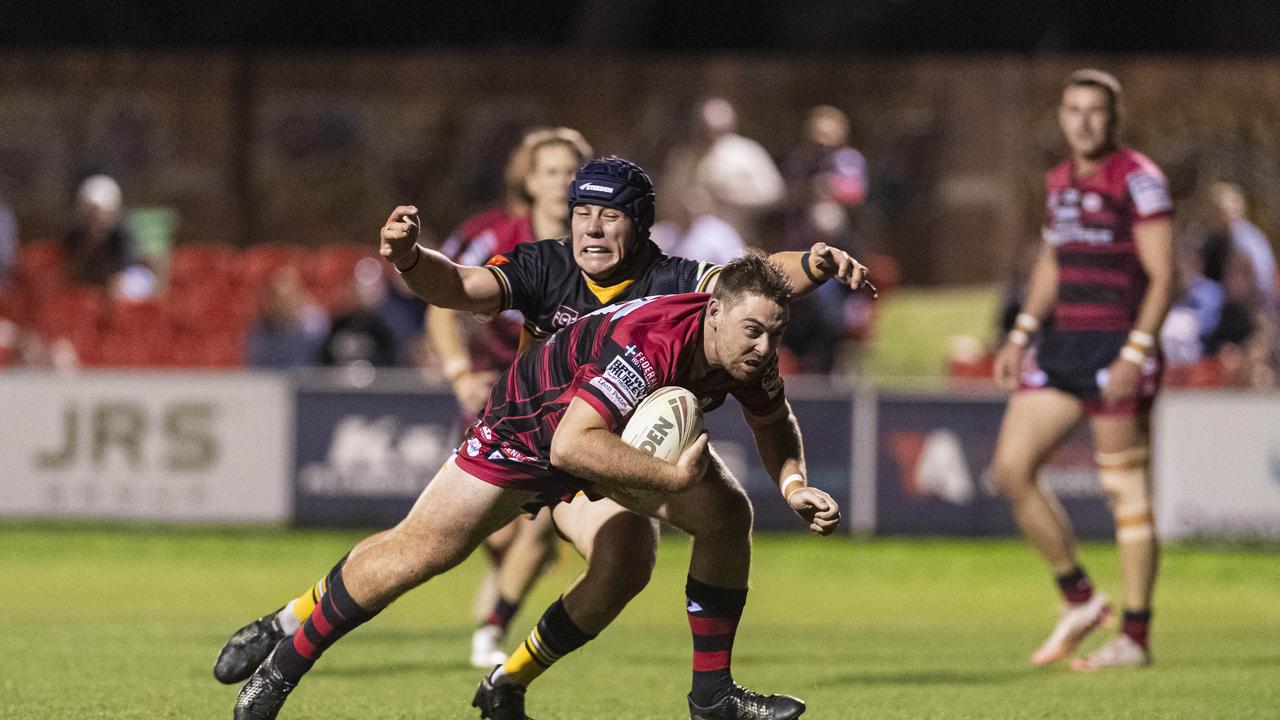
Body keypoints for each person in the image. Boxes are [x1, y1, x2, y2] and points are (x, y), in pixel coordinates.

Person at [224, 157, 867, 720]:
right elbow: (463, 296)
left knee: (686, 533)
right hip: (532, 432)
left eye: (609, 215)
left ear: (639, 225)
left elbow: (755, 287)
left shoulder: (712, 306)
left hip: (602, 443)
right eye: (579, 210)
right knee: (416, 555)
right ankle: (282, 662)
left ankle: (681, 695)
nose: (590, 226)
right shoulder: (553, 269)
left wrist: (814, 263)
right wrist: (410, 261)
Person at [990, 69, 1176, 671]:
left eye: (1095, 110)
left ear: (1112, 118)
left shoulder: (1140, 180)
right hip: (1062, 347)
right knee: (1011, 470)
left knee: (1125, 495)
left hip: (1118, 349)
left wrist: (1136, 350)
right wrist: (1020, 332)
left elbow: (1163, 274)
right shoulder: (1059, 182)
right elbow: (1051, 261)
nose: (1084, 121)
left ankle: (1136, 638)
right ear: (1063, 116)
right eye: (1073, 109)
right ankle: (1081, 599)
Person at [429, 127, 592, 667]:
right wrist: (458, 374)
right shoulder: (491, 235)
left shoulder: (604, 241)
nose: (561, 183)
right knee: (482, 530)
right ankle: (500, 585)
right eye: (550, 171)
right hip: (496, 396)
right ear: (528, 179)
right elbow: (442, 302)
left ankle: (492, 630)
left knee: (543, 524)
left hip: (564, 401)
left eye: (572, 171)